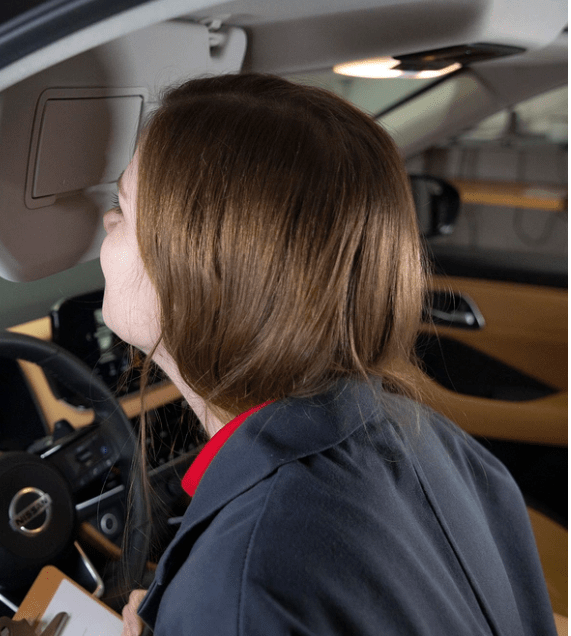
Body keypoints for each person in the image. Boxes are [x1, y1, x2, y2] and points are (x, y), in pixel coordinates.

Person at [99, 73, 556, 635]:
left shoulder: (241, 585)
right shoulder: (443, 445)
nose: (106, 220)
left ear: (201, 270)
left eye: (122, 205)